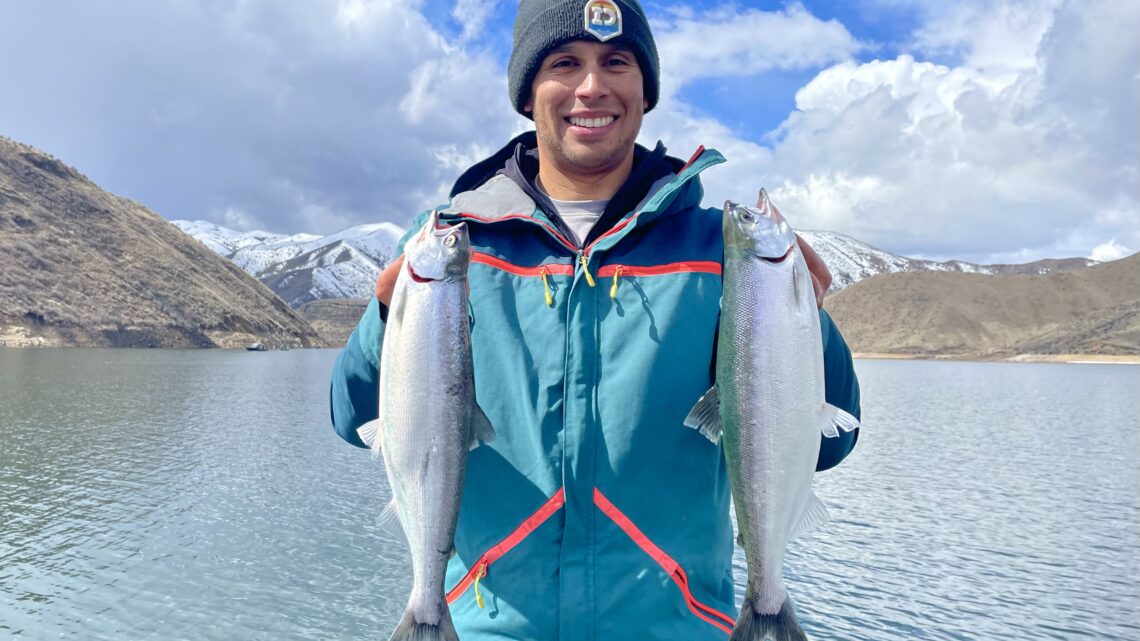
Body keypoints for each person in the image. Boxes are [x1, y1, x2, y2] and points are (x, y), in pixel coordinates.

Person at [329, 0, 861, 638]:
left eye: (617, 62)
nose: (592, 86)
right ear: (529, 94)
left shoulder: (723, 252)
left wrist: (807, 324)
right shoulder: (449, 246)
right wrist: (387, 315)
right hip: (482, 628)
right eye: (564, 63)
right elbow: (351, 415)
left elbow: (830, 445)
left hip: (682, 628)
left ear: (645, 91)